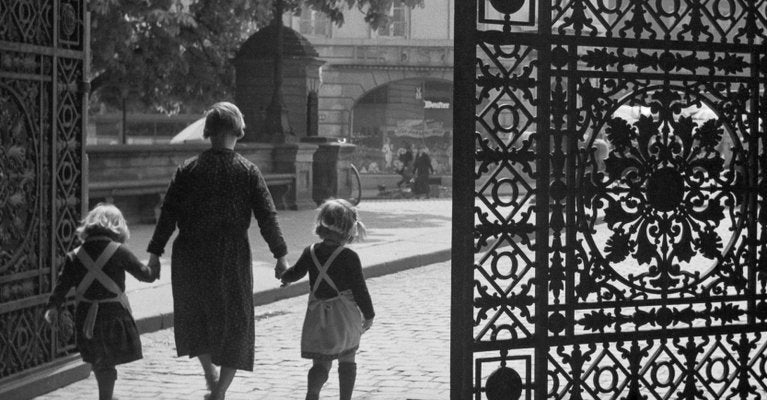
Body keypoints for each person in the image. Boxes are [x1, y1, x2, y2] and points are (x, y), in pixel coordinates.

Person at [146, 102, 289, 400]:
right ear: (238, 131)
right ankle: (220, 391)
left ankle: (209, 372)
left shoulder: (188, 170)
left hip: (191, 255)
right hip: (231, 256)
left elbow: (167, 215)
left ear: (208, 131)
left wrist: (154, 255)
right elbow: (267, 216)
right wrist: (280, 256)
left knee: (196, 318)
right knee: (236, 324)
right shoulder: (248, 171)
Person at [44, 203, 159, 400]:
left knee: (100, 361)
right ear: (117, 227)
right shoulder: (120, 251)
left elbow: (61, 286)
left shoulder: (75, 255)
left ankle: (106, 395)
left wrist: (53, 307)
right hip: (114, 316)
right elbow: (146, 276)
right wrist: (154, 260)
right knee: (107, 362)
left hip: (86, 318)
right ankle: (105, 397)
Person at [280, 199, 375, 400]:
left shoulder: (311, 251)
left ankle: (312, 392)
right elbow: (360, 289)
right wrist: (369, 315)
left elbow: (295, 273)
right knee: (347, 357)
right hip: (344, 317)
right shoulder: (349, 256)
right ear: (348, 228)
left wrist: (284, 277)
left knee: (320, 363)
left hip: (317, 316)